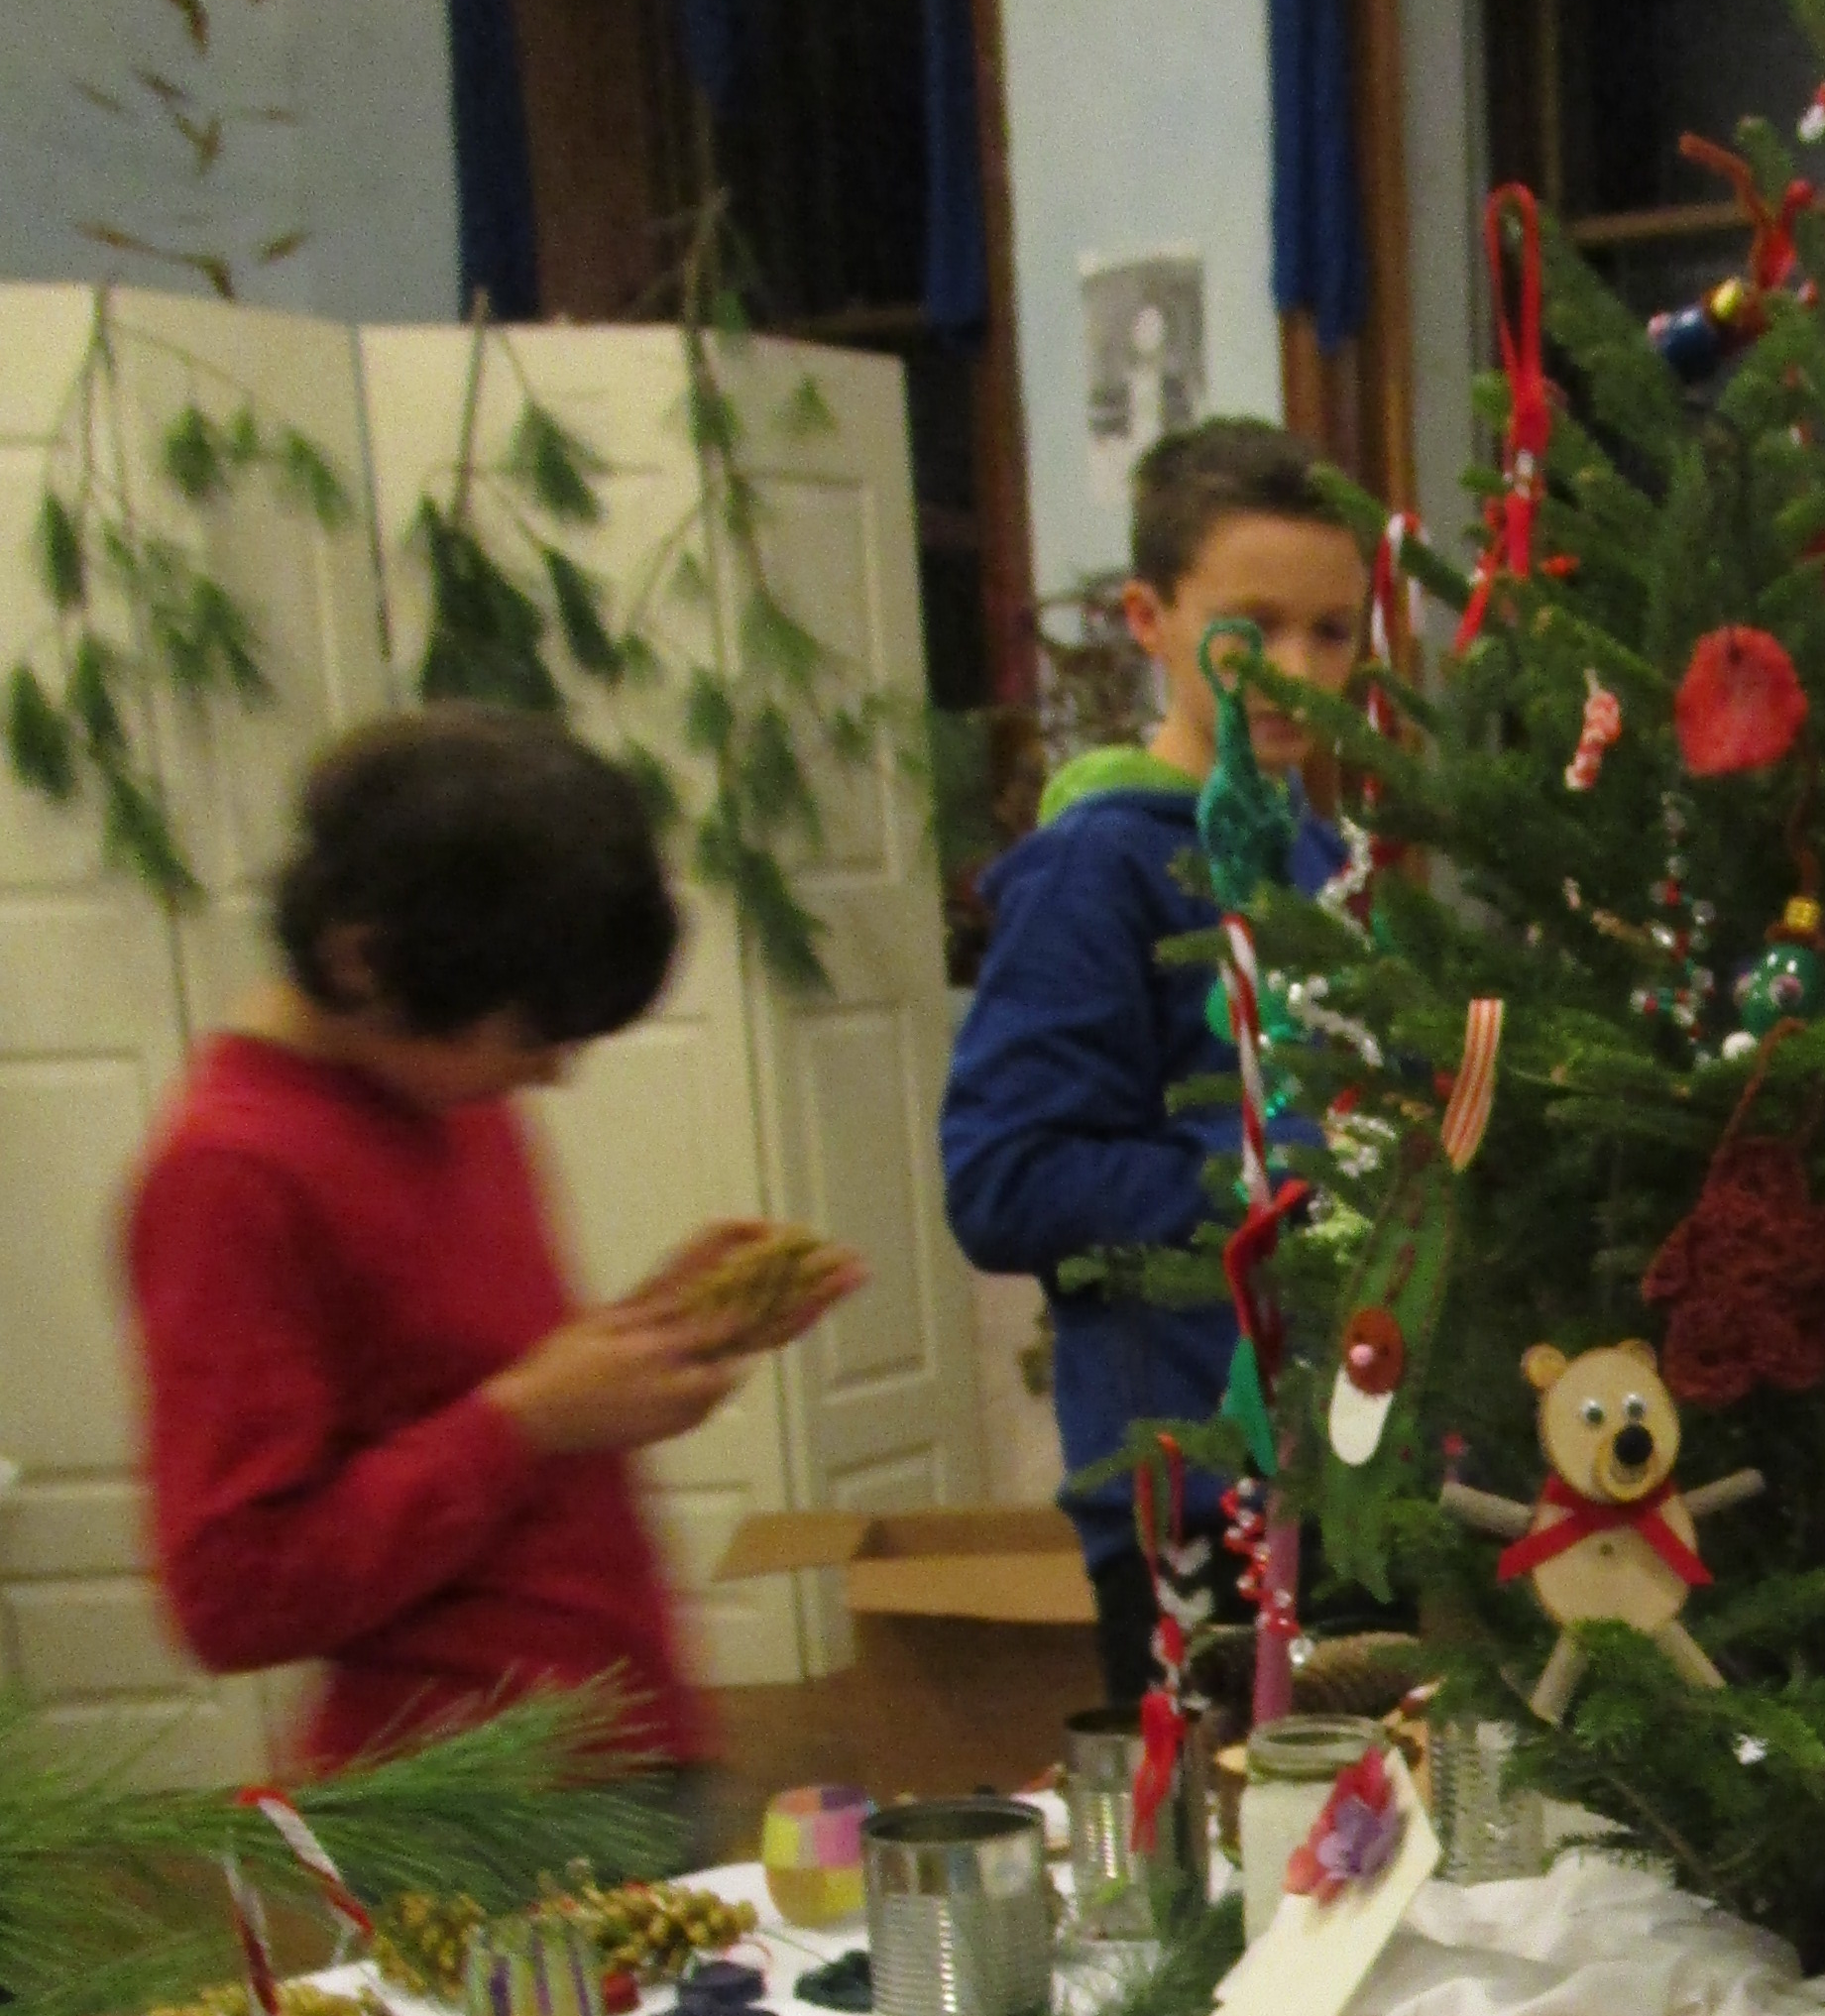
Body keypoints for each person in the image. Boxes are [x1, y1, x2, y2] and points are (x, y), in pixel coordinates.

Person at [124, 707, 825, 1830]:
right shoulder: (229, 1175)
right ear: (363, 962)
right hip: (472, 1808)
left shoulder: (443, 1091)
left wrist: (649, 1337)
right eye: (530, 1034)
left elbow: (455, 1384)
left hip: (622, 1747)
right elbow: (232, 1592)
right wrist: (526, 1419)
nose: (553, 1075)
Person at [942, 417, 1365, 1715]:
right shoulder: (1098, 868)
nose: (1297, 672)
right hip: (1193, 1492)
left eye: (1333, 632)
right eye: (1253, 627)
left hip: (1359, 1468)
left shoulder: (1326, 859)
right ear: (1149, 617)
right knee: (1232, 1832)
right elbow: (1005, 1180)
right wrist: (1269, 1183)